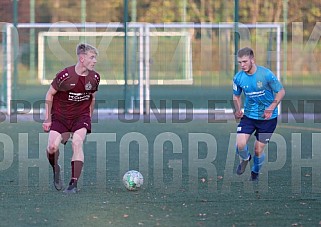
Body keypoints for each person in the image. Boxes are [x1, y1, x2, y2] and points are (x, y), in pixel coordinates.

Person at [42, 43, 100, 193]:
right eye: (92, 57)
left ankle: (73, 184)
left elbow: (92, 98)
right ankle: (56, 168)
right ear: (82, 58)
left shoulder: (95, 77)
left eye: (95, 58)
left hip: (80, 117)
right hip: (60, 117)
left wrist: (89, 118)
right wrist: (48, 119)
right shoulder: (64, 76)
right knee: (52, 147)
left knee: (77, 142)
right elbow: (49, 94)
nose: (95, 61)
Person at [232, 47, 285, 181]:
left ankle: (255, 171)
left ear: (252, 60)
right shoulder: (238, 78)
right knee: (240, 144)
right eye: (240, 62)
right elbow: (236, 96)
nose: (242, 65)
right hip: (249, 116)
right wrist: (237, 110)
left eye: (244, 61)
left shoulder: (266, 74)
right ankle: (245, 159)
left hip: (268, 119)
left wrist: (271, 108)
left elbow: (281, 92)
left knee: (257, 150)